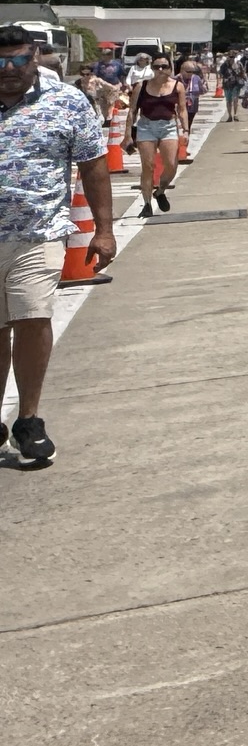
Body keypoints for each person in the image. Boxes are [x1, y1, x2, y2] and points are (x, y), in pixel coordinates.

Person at [0, 23, 115, 467]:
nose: (8, 70)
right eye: (0, 61)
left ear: (35, 59)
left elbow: (94, 166)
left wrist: (103, 231)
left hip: (39, 234)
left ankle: (28, 420)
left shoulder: (66, 103)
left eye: (17, 60)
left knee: (32, 318)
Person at [129, 59, 191, 215]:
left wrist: (186, 130)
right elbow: (132, 111)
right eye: (157, 67)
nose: (160, 70)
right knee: (148, 166)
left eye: (164, 66)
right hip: (146, 127)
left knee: (171, 165)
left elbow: (182, 110)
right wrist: (127, 134)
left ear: (170, 68)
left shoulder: (177, 86)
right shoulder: (141, 86)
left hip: (168, 126)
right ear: (152, 68)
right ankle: (147, 203)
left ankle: (160, 191)